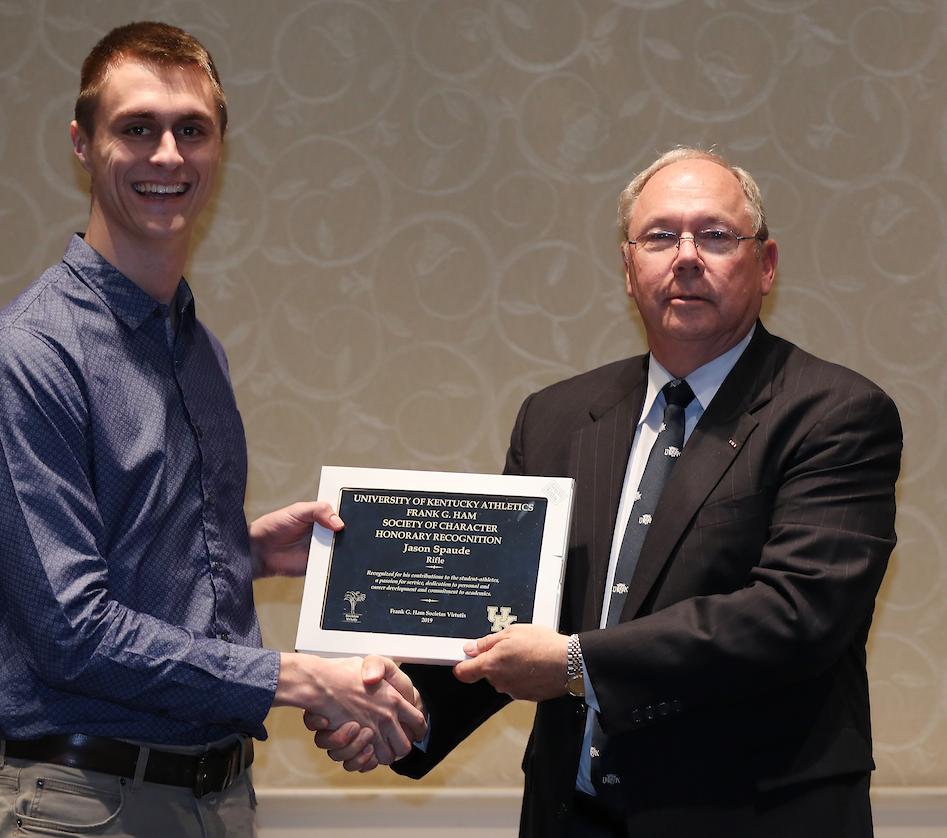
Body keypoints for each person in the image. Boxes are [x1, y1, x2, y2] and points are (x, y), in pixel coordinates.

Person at [312, 147, 902, 837]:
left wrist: (573, 663)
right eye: (659, 236)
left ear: (765, 265)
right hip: (573, 817)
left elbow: (796, 617)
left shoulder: (835, 412)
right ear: (628, 269)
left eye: (715, 235)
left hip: (752, 817)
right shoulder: (557, 417)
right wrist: (404, 716)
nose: (685, 256)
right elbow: (513, 610)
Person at [0, 22, 425, 838]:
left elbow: (125, 552)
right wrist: (299, 678)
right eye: (137, 128)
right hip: (81, 806)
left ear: (219, 149)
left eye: (191, 131)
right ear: (83, 144)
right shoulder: (26, 357)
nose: (167, 155)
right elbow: (73, 634)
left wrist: (242, 549)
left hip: (218, 801)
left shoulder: (196, 348)